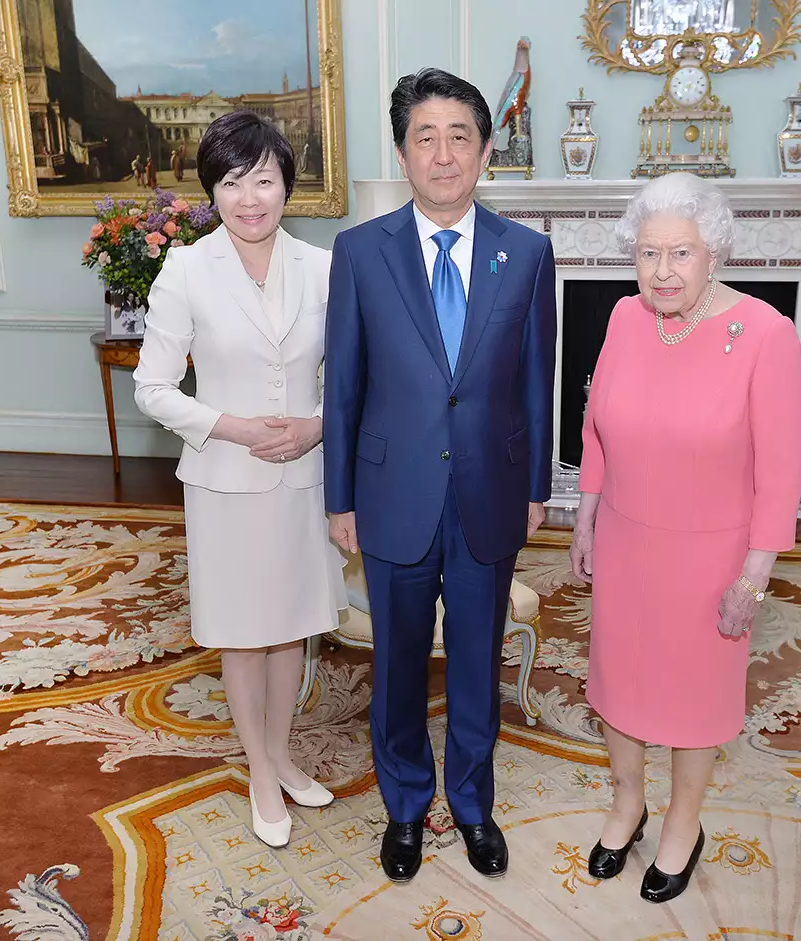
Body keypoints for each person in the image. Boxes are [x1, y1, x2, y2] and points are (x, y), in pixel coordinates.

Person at [323, 68, 556, 884]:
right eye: (426, 136)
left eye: (460, 135)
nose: (444, 152)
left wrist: (536, 488)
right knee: (394, 669)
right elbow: (344, 385)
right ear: (403, 151)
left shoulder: (525, 253)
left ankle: (472, 803)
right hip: (391, 497)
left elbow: (537, 378)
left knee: (475, 663)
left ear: (486, 150)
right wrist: (339, 497)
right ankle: (404, 807)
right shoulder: (359, 253)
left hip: (490, 494)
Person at [569, 172, 801, 903]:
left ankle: (683, 821)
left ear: (714, 254)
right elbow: (597, 424)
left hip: (712, 555)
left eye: (681, 254)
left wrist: (754, 573)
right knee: (619, 681)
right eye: (648, 254)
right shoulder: (623, 318)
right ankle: (627, 801)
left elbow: (781, 469)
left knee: (694, 696)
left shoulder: (767, 333)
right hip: (627, 541)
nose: (662, 271)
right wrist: (586, 512)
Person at [134, 111, 346, 849]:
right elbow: (153, 388)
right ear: (212, 191)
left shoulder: (323, 266)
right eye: (233, 182)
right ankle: (260, 768)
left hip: (306, 477)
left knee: (289, 625)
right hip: (225, 478)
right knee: (243, 633)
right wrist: (238, 426)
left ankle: (281, 750)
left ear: (288, 183)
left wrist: (315, 425)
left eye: (264, 179)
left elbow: (352, 377)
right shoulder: (187, 269)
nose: (250, 197)